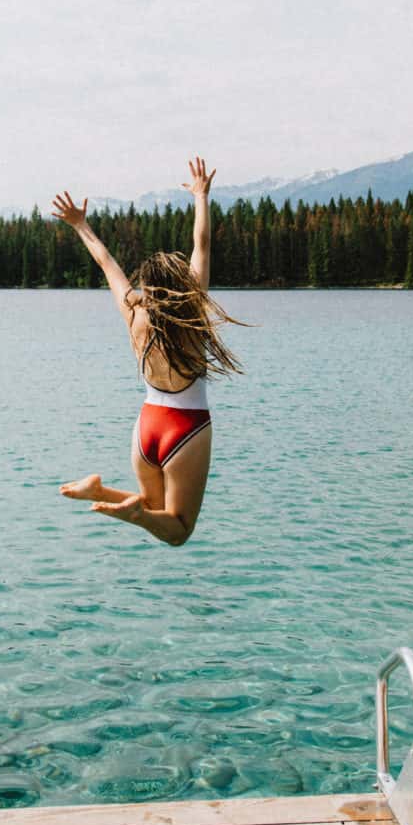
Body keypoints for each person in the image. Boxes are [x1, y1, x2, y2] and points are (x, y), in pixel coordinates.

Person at [52, 158, 243, 546]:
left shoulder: (134, 313)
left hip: (147, 426)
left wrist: (80, 225)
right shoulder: (192, 311)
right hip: (185, 428)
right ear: (179, 283)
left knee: (156, 511)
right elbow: (201, 244)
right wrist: (201, 197)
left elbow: (106, 262)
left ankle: (101, 492)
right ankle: (130, 512)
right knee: (178, 531)